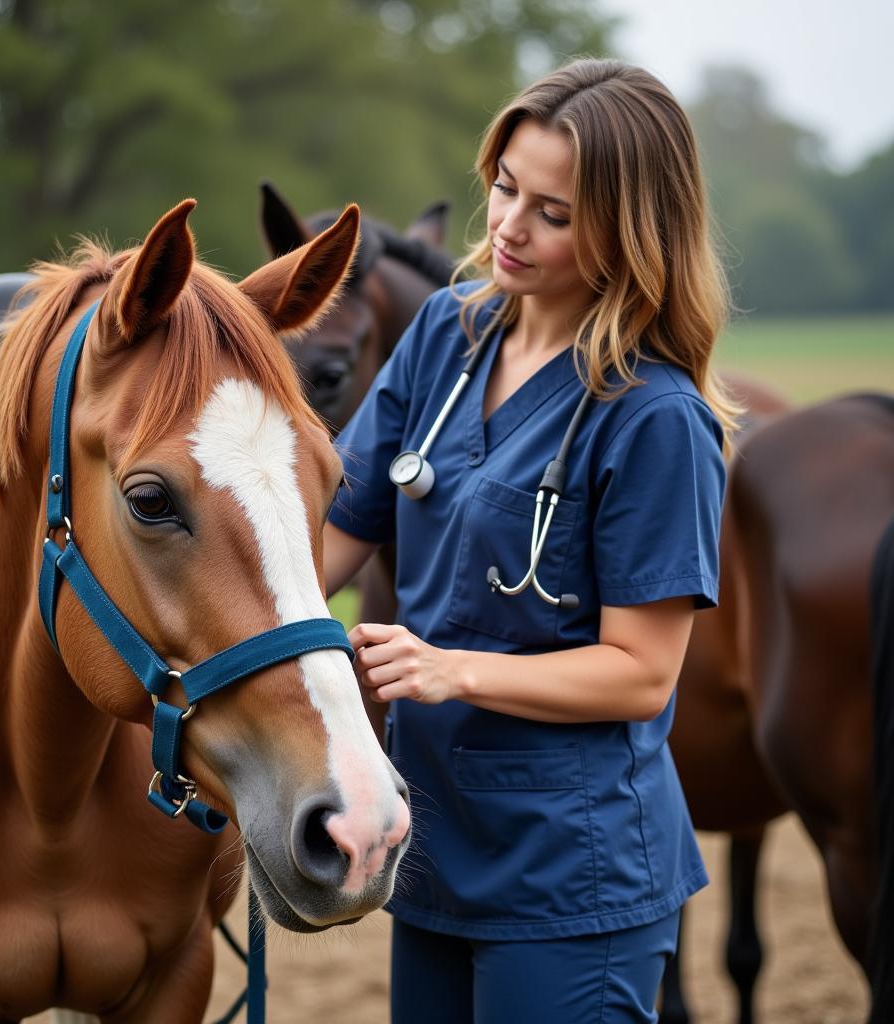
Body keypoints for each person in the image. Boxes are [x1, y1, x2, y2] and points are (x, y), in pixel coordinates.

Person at [324, 57, 739, 1023]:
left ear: (631, 230)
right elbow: (335, 531)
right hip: (426, 848)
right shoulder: (446, 333)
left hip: (569, 874)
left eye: (553, 212)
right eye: (506, 187)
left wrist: (451, 670)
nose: (508, 227)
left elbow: (641, 674)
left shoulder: (654, 418)